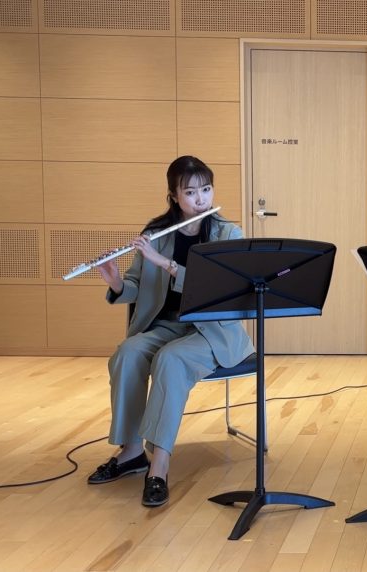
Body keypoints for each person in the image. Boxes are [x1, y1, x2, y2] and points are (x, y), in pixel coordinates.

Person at [87, 156, 254, 507]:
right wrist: (115, 281)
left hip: (211, 332)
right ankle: (132, 451)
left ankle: (159, 464)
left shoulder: (228, 234)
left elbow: (224, 288)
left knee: (170, 360)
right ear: (174, 196)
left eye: (206, 189)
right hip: (165, 325)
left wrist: (167, 265)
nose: (200, 199)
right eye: (190, 192)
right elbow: (135, 286)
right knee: (127, 353)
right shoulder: (155, 235)